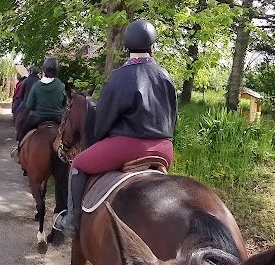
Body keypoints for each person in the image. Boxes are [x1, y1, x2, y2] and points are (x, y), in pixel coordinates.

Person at [56, 19, 177, 237]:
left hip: (129, 146)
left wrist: (99, 140)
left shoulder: (120, 76)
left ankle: (72, 220)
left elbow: (103, 120)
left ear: (126, 47)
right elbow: (172, 116)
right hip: (164, 148)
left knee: (79, 164)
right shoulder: (165, 76)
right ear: (152, 46)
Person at [16, 58, 68, 147]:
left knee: (23, 130)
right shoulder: (61, 86)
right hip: (57, 119)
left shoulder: (37, 86)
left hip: (37, 118)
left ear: (44, 69)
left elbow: (29, 105)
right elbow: (65, 104)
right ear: (57, 70)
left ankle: (18, 150)